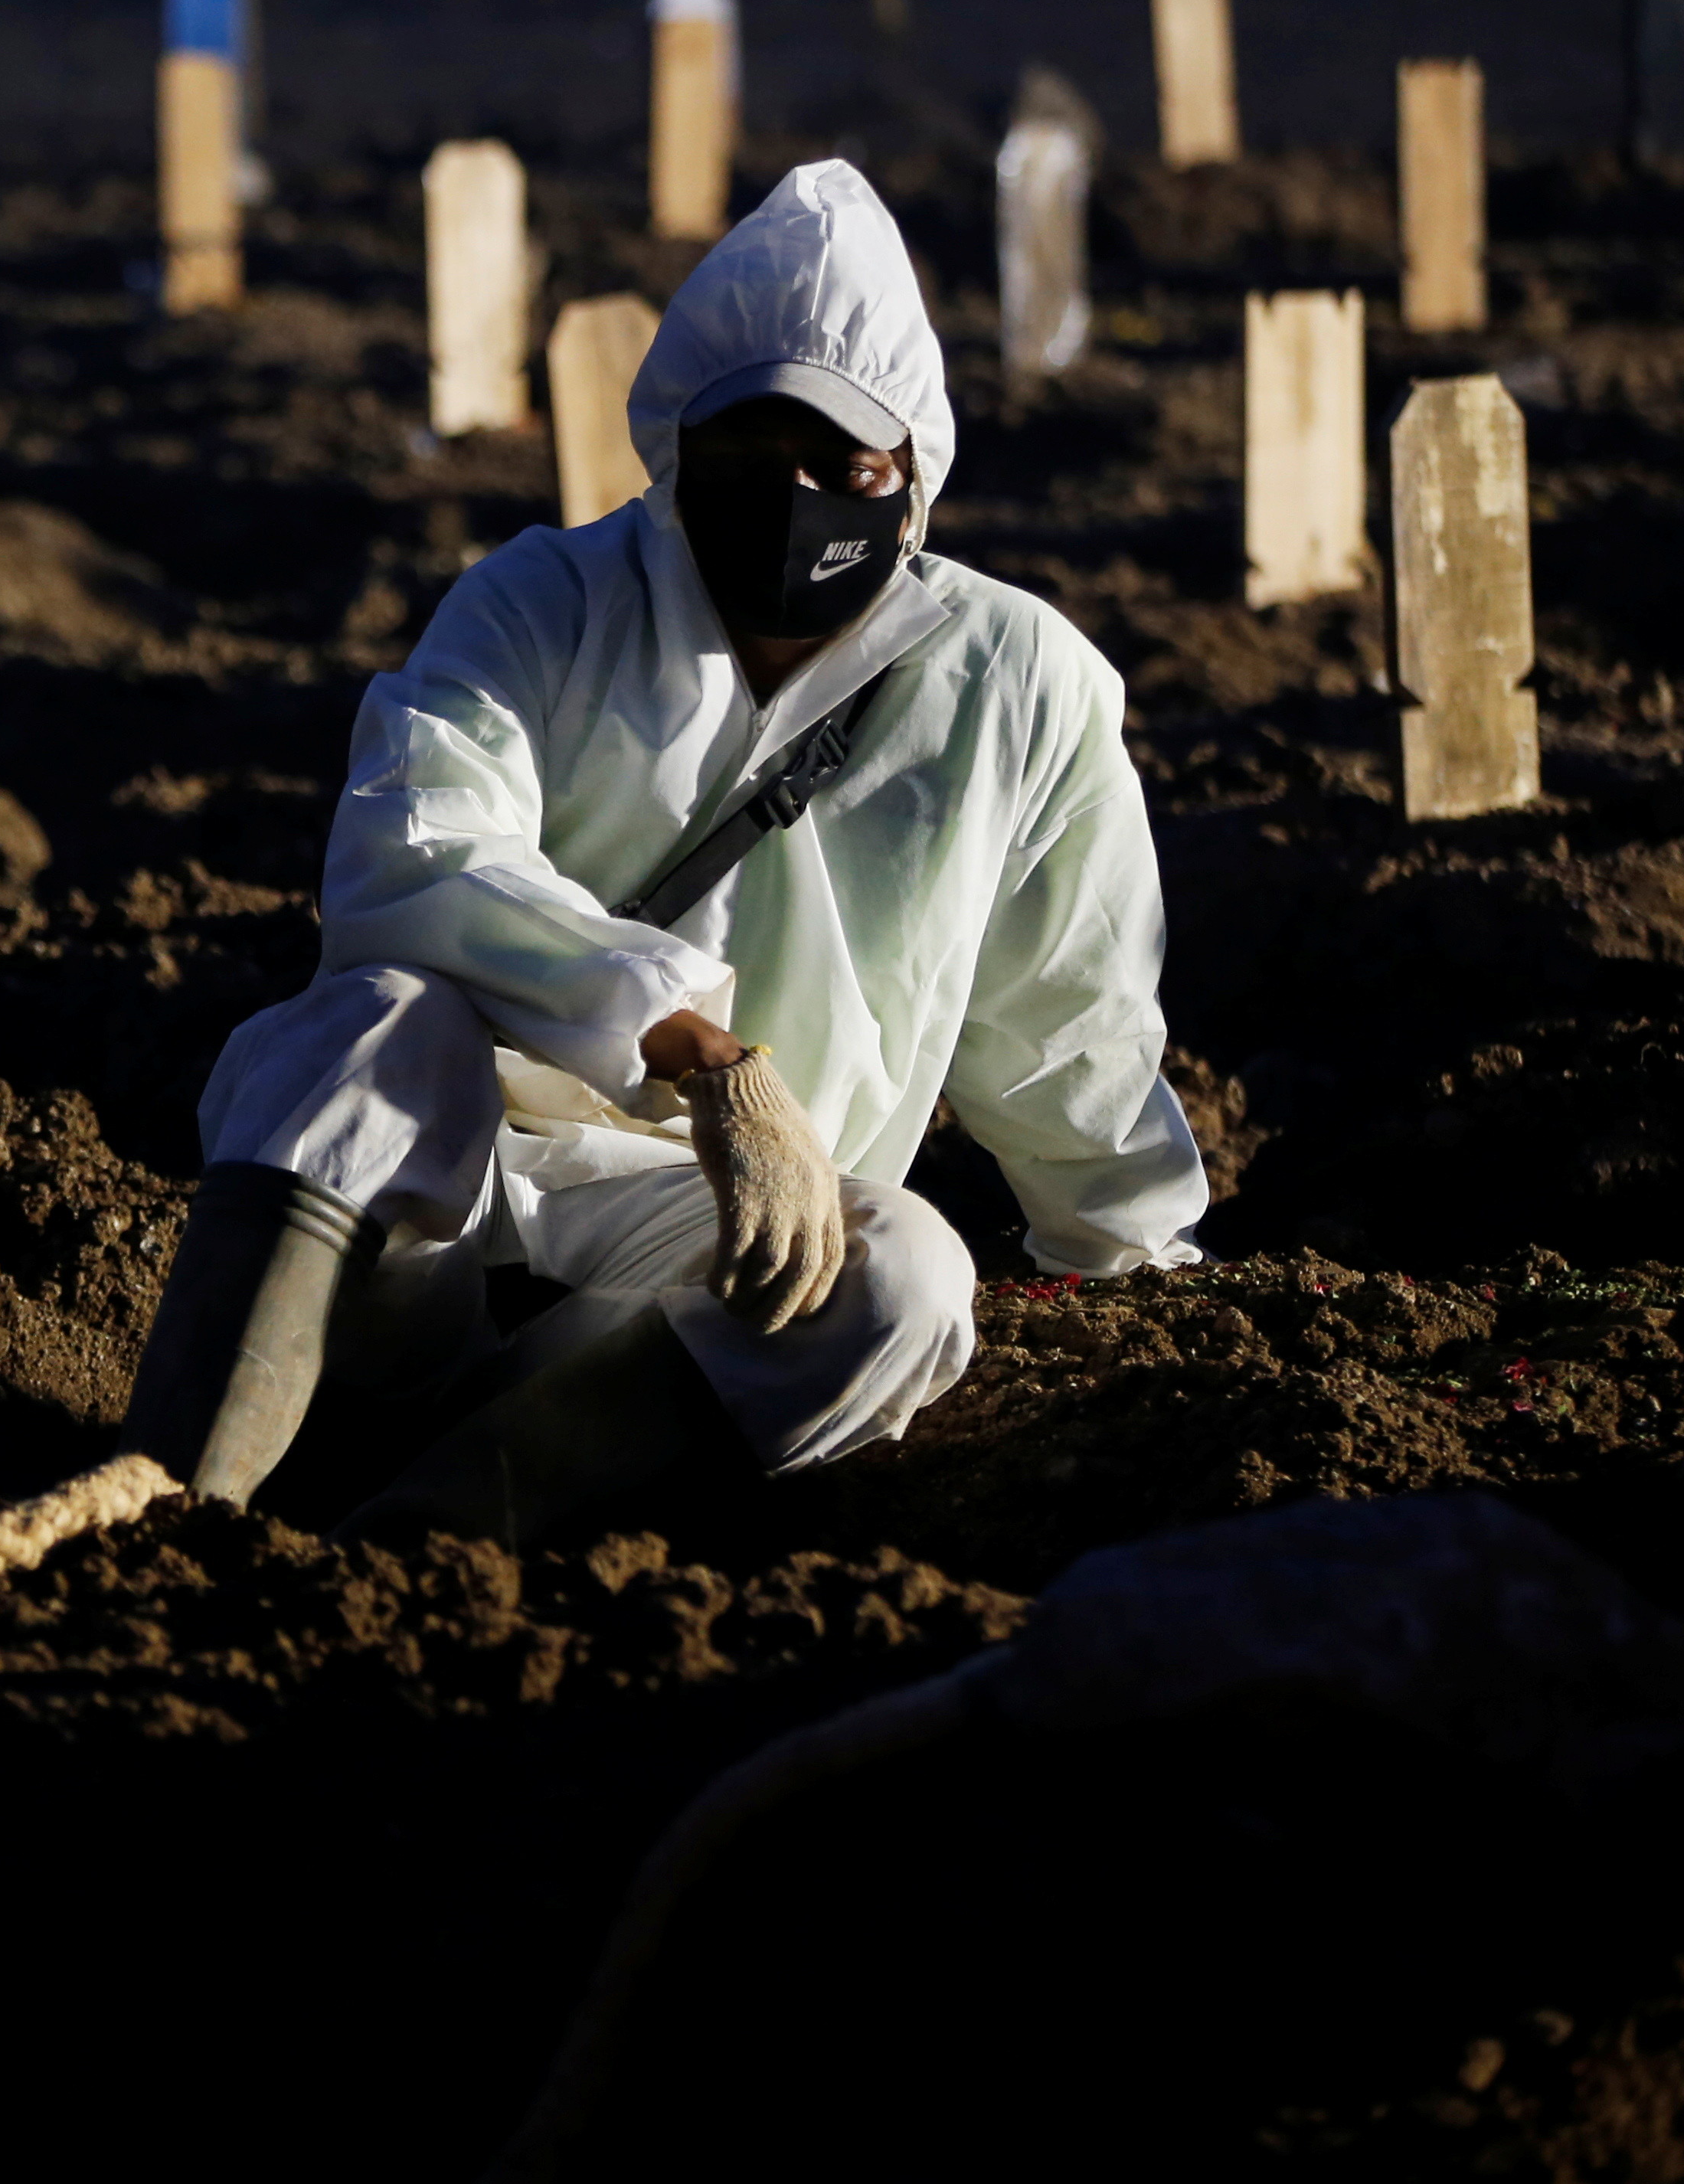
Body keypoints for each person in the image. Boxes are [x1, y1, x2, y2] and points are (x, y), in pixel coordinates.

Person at [118, 163, 1210, 1550]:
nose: (802, 498)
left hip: (729, 1233)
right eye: (757, 457)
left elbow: (1071, 1026)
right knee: (360, 1036)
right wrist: (698, 1050)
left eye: (846, 465)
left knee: (911, 1283)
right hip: (455, 1189)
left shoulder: (1018, 683)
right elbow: (415, 854)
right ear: (680, 450)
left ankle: (428, 1547)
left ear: (914, 472)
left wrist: (1132, 1268)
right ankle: (160, 1527)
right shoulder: (544, 604)